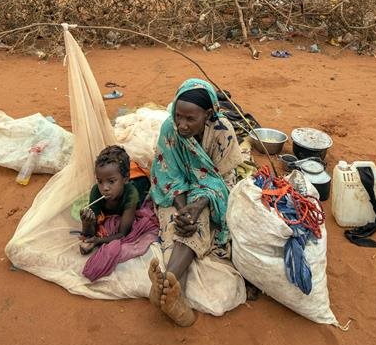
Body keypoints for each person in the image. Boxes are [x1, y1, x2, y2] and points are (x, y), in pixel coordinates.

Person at [146, 78, 249, 326]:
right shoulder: (169, 129)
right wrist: (184, 210)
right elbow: (167, 174)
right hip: (177, 192)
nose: (182, 124)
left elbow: (225, 180)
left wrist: (198, 205)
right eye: (178, 116)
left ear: (208, 114)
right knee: (176, 224)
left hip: (211, 192)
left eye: (190, 119)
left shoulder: (223, 133)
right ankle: (174, 294)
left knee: (200, 220)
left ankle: (166, 284)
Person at [79, 146, 143, 255]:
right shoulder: (96, 191)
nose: (104, 188)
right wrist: (86, 223)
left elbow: (122, 234)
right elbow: (89, 232)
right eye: (100, 181)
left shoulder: (131, 194)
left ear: (126, 178)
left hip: (140, 183)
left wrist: (98, 241)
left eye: (111, 181)